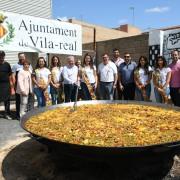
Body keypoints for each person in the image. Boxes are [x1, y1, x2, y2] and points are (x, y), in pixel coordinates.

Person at [0, 51, 12, 119]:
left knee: (7, 100)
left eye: (2, 56)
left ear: (4, 56)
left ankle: (7, 113)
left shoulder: (7, 64)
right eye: (0, 56)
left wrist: (12, 86)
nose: (1, 57)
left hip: (6, 84)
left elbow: (10, 75)